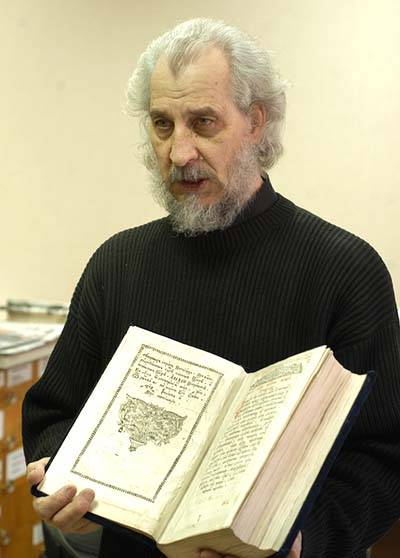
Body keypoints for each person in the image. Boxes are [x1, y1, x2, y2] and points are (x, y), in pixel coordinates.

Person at [23, 17, 400, 558]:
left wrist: (301, 541)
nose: (179, 153)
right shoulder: (116, 265)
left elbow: (385, 454)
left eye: (203, 122)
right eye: (162, 124)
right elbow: (55, 414)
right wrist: (66, 489)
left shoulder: (345, 270)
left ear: (256, 123)